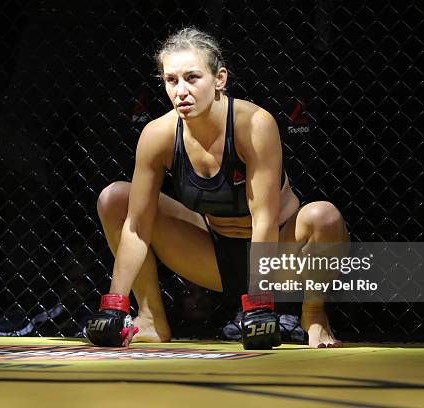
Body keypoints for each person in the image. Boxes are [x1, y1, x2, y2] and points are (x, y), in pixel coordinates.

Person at [89, 27, 349, 348]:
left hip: (280, 256)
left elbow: (264, 218)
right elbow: (137, 226)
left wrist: (259, 303)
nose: (181, 90)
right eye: (172, 80)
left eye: (193, 77)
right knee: (116, 198)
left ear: (220, 79)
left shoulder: (253, 124)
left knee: (324, 217)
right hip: (215, 257)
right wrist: (114, 303)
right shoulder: (158, 134)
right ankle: (149, 317)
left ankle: (314, 316)